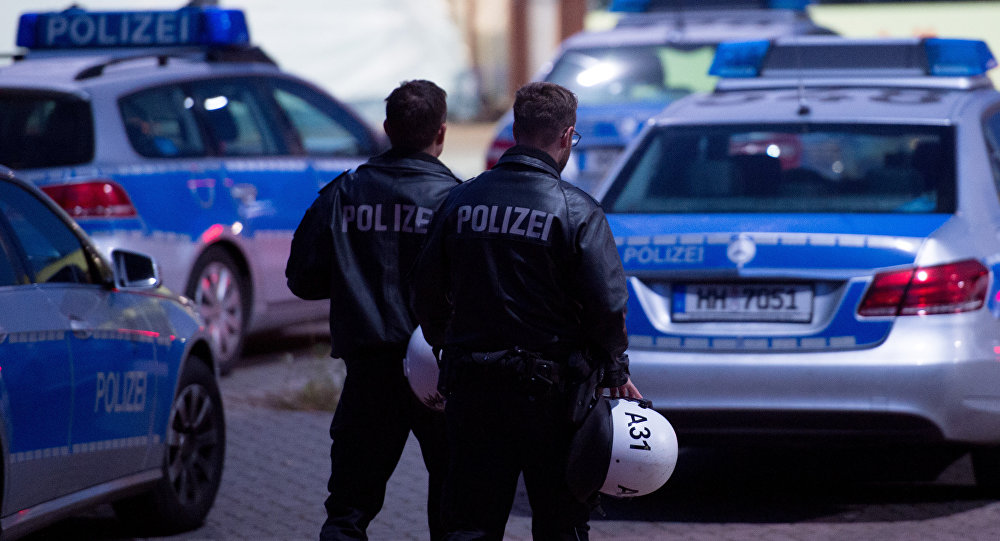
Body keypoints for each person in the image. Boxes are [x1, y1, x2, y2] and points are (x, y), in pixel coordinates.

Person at [411, 81, 641, 541]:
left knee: (471, 524)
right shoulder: (576, 210)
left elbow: (426, 289)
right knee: (561, 523)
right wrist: (615, 369)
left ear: (517, 130)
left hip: (472, 388)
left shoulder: (459, 200)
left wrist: (445, 345)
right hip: (552, 399)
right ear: (566, 136)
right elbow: (607, 305)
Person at [285, 79, 460, 541]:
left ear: (386, 128)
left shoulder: (344, 192)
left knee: (348, 511)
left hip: (368, 373)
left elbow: (301, 278)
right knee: (455, 507)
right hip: (440, 375)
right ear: (441, 133)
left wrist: (351, 280)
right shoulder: (455, 200)